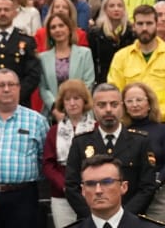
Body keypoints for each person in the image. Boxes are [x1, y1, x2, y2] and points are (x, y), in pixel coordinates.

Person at [63, 83, 159, 219]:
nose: (108, 110)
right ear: (93, 108)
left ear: (122, 106)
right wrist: (93, 216)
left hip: (130, 221)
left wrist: (123, 217)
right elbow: (72, 186)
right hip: (90, 221)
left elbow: (147, 187)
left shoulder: (140, 142)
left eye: (114, 105)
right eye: (101, 105)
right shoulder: (80, 143)